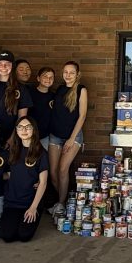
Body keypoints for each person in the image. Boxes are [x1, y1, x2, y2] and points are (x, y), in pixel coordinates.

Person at [0, 117, 49, 243]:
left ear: (34, 130)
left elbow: (43, 183)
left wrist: (33, 208)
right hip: (12, 201)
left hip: (30, 202)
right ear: (16, 130)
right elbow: (8, 174)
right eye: (20, 127)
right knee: (7, 236)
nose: (24, 130)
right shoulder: (12, 150)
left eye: (28, 127)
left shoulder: (40, 152)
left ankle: (33, 213)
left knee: (24, 235)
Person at [49, 61, 88, 209]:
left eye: (72, 72)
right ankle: (64, 203)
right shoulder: (59, 89)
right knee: (53, 173)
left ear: (77, 74)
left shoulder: (81, 90)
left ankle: (60, 203)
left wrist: (72, 139)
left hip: (73, 136)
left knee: (62, 169)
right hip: (55, 136)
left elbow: (82, 116)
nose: (68, 75)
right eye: (65, 72)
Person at [29, 67, 55, 149]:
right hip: (29, 135)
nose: (48, 79)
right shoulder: (29, 93)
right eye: (45, 76)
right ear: (38, 78)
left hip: (45, 137)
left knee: (44, 160)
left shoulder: (54, 97)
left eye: (51, 77)